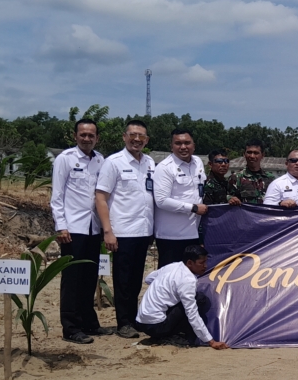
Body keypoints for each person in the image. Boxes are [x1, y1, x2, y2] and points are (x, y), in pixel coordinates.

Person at [94, 120, 156, 339]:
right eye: (133, 135)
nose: (136, 140)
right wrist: (108, 231)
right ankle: (124, 323)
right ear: (124, 137)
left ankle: (133, 318)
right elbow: (101, 197)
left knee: (136, 279)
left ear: (146, 140)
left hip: (144, 231)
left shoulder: (150, 162)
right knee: (123, 280)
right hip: (123, 232)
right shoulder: (113, 163)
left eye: (141, 136)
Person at [51, 118, 109, 344]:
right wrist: (61, 226)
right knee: (72, 280)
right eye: (83, 135)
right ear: (75, 136)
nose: (87, 138)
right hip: (72, 228)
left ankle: (89, 323)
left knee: (89, 277)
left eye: (91, 135)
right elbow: (57, 196)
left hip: (93, 228)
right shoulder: (65, 159)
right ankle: (71, 327)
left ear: (97, 138)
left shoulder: (100, 160)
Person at [134, 244, 229, 349]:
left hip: (141, 322)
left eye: (206, 262)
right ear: (190, 263)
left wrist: (164, 287)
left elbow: (148, 279)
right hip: (157, 326)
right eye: (201, 263)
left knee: (188, 299)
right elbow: (192, 314)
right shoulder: (187, 280)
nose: (205, 266)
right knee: (199, 299)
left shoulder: (173, 266)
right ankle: (171, 335)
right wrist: (211, 341)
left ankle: (164, 332)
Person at [153, 128, 208, 268]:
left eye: (187, 143)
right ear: (171, 146)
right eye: (178, 143)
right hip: (172, 236)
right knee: (171, 276)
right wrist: (193, 208)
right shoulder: (165, 167)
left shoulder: (198, 162)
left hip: (193, 233)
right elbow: (161, 200)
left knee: (191, 275)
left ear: (194, 145)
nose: (183, 147)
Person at [227, 140, 274, 205]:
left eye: (256, 153)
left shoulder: (271, 179)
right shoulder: (236, 178)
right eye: (249, 152)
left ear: (262, 155)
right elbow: (227, 198)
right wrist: (230, 199)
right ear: (244, 154)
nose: (252, 156)